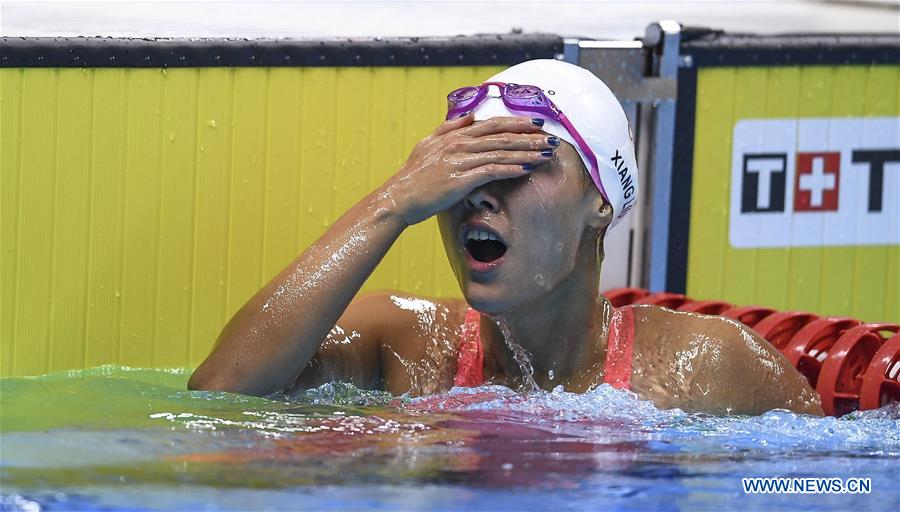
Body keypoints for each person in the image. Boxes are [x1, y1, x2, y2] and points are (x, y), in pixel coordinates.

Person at [188, 60, 823, 416]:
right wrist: (393, 204)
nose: (480, 191)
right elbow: (219, 397)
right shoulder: (405, 346)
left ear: (600, 202)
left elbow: (833, 488)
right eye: (463, 164)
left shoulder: (706, 369)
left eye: (525, 161)